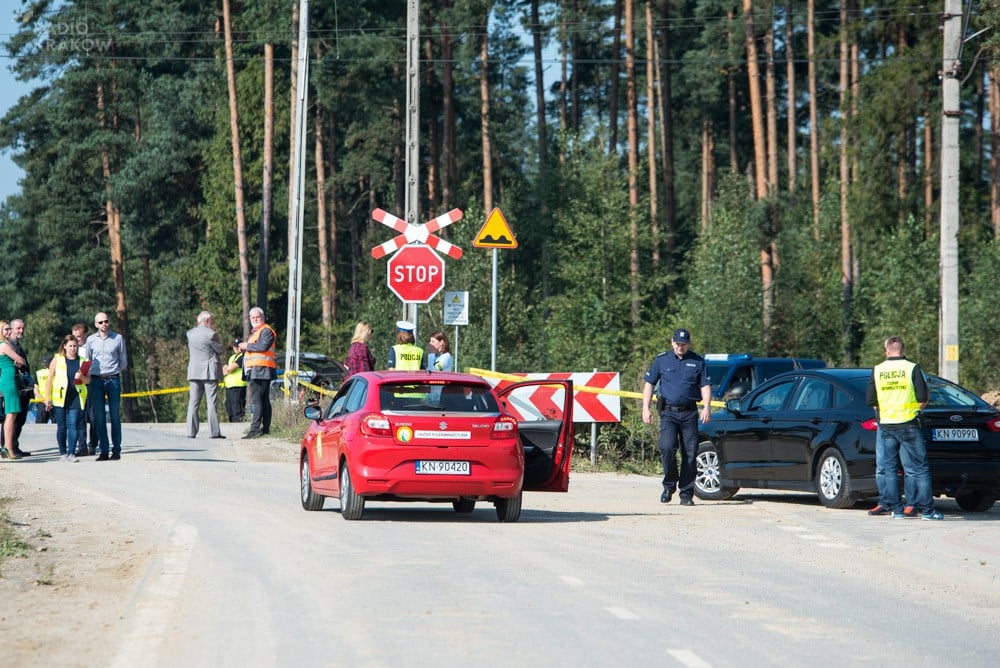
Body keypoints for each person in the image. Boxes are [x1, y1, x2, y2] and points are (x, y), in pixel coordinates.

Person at [865, 335, 943, 520]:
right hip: (908, 424)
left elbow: (870, 399)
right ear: (904, 349)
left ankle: (896, 510)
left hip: (887, 425)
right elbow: (922, 397)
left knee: (890, 468)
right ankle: (927, 511)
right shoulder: (912, 368)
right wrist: (915, 411)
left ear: (886, 350)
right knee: (919, 468)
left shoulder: (878, 370)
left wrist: (883, 413)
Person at [641, 328, 713, 506]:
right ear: (672, 342)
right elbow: (649, 384)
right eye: (678, 343)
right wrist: (645, 408)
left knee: (690, 453)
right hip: (668, 413)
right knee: (667, 448)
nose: (680, 347)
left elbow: (705, 386)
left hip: (689, 413)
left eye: (684, 344)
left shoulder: (698, 361)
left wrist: (707, 407)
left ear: (689, 344)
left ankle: (686, 493)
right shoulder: (661, 360)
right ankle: (669, 486)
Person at [86, 311, 128, 461]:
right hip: (96, 380)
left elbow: (123, 360)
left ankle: (116, 450)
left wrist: (115, 371)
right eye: (101, 322)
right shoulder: (91, 340)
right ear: (96, 324)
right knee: (100, 417)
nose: (105, 324)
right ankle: (103, 450)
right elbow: (88, 360)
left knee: (115, 416)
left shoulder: (117, 338)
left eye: (106, 321)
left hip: (113, 380)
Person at [44, 335, 91, 462]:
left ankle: (71, 453)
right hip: (60, 396)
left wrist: (81, 377)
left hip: (76, 396)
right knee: (62, 426)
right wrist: (47, 398)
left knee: (73, 424)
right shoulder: (57, 359)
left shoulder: (83, 361)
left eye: (75, 346)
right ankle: (63, 452)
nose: (72, 349)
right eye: (70, 346)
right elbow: (50, 379)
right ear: (64, 346)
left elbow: (88, 380)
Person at [185, 311, 225, 439]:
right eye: (212, 321)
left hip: (194, 371)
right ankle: (214, 432)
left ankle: (191, 432)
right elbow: (221, 350)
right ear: (206, 321)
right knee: (211, 402)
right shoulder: (211, 334)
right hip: (209, 372)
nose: (213, 324)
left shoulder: (190, 334)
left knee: (193, 402)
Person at [238, 306, 276, 439]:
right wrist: (244, 349)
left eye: (257, 317)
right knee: (263, 400)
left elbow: (262, 346)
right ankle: (265, 428)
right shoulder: (256, 332)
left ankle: (255, 429)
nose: (255, 319)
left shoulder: (265, 331)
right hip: (258, 369)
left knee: (257, 400)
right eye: (252, 317)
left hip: (261, 369)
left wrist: (246, 346)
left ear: (263, 317)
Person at [0, 321, 28, 460]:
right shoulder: (4, 345)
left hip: (5, 379)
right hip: (10, 380)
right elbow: (21, 360)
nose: (8, 331)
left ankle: (8, 447)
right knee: (11, 415)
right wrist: (16, 361)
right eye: (6, 329)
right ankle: (8, 448)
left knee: (10, 415)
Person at [7, 318, 32, 455]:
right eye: (18, 328)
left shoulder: (17, 345)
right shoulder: (8, 346)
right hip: (15, 387)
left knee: (20, 420)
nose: (21, 331)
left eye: (23, 328)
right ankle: (8, 446)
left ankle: (14, 446)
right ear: (11, 330)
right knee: (12, 419)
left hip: (23, 388)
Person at [73, 322, 98, 455]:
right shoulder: (71, 349)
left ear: (85, 335)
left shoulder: (92, 348)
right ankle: (81, 445)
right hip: (77, 387)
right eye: (74, 336)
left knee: (93, 417)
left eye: (79, 337)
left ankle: (93, 444)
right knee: (80, 417)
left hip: (91, 384)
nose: (76, 339)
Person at [222, 338, 247, 422]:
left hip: (238, 386)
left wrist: (227, 369)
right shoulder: (232, 357)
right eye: (235, 346)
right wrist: (227, 369)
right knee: (229, 408)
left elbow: (229, 369)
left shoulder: (243, 356)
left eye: (238, 346)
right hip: (229, 386)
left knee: (237, 410)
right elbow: (224, 369)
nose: (236, 348)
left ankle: (238, 428)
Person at [33, 355, 55, 424]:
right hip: (54, 403)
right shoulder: (56, 373)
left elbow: (36, 391)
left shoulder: (38, 373)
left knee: (39, 427)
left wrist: (45, 401)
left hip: (42, 403)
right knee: (58, 427)